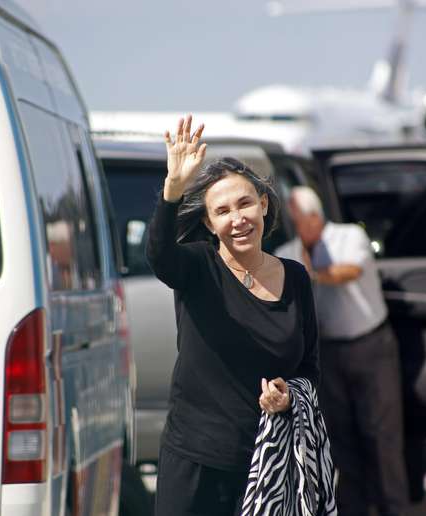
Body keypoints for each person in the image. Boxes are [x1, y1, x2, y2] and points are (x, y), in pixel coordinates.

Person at [146, 115, 322, 515]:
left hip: (267, 459)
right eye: (222, 211)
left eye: (245, 203)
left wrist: (287, 395)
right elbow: (159, 255)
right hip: (195, 457)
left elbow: (310, 368)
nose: (237, 218)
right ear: (210, 223)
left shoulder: (294, 277)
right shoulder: (196, 266)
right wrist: (173, 190)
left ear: (263, 205)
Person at [276, 186, 409, 516]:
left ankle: (394, 508)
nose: (297, 229)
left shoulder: (349, 237)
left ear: (313, 216)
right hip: (329, 351)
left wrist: (310, 275)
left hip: (371, 344)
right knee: (341, 436)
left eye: (299, 220)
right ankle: (352, 508)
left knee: (382, 435)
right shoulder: (289, 251)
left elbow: (351, 271)